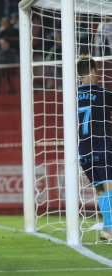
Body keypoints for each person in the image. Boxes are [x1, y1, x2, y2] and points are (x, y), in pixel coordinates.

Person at [77, 56, 112, 241]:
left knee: (100, 190)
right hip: (102, 146)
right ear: (92, 71)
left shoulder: (72, 96)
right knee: (110, 187)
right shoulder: (103, 93)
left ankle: (108, 229)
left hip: (83, 151)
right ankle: (110, 229)